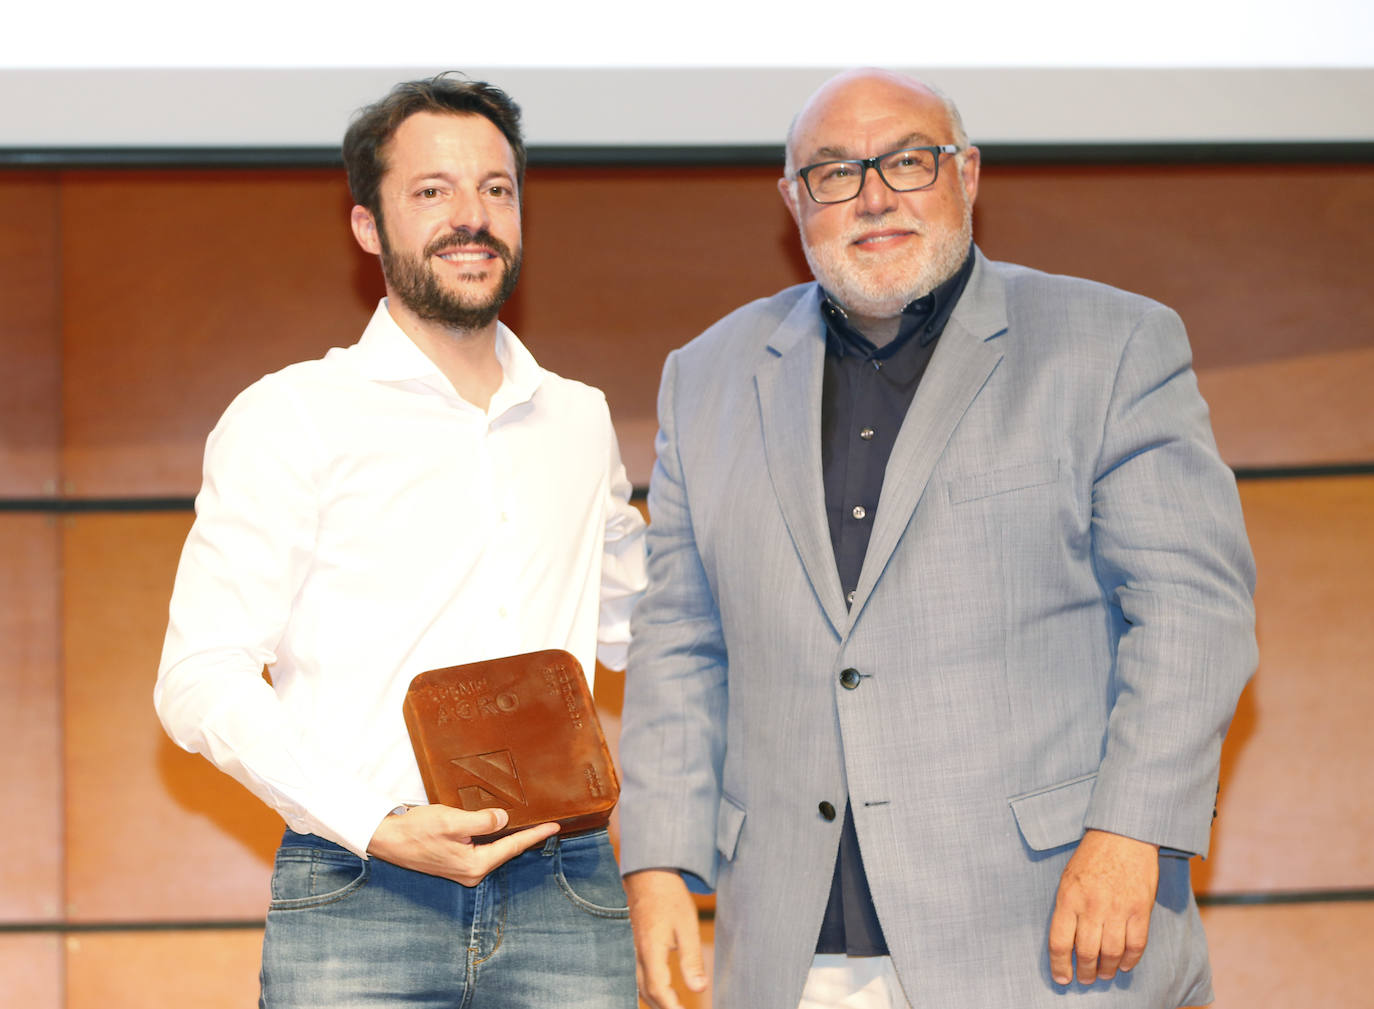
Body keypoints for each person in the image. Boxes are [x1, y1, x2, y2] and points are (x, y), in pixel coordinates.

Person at [617, 68, 1257, 1009]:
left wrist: (1131, 832)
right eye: (834, 172)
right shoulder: (704, 377)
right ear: (795, 202)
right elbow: (678, 643)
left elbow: (1194, 616)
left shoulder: (1110, 344)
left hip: (1052, 943)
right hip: (791, 957)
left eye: (908, 161)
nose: (874, 195)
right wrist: (660, 864)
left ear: (967, 175)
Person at [155, 74, 646, 1008]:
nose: (473, 216)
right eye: (433, 191)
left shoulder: (578, 420)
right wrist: (374, 821)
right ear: (367, 227)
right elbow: (199, 677)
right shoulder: (290, 416)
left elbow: (642, 624)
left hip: (565, 886)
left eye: (496, 189)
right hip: (359, 890)